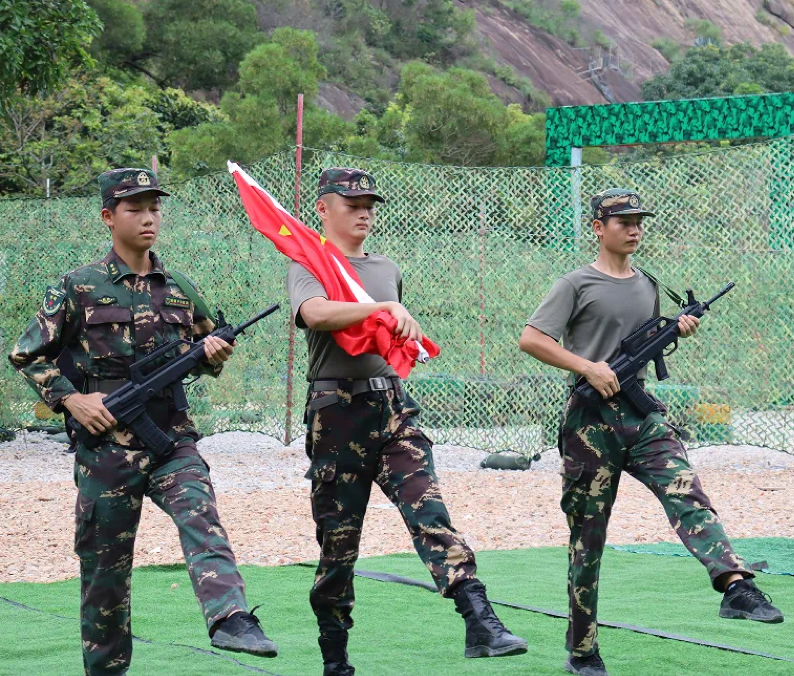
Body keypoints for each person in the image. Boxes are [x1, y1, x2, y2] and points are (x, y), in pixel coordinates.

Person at [9, 168, 278, 676]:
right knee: (105, 578)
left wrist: (215, 352)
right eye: (135, 208)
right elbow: (26, 355)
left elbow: (205, 349)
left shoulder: (178, 288)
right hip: (105, 448)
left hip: (171, 438)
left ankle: (231, 619)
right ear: (109, 216)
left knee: (200, 513)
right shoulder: (77, 286)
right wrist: (72, 401)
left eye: (155, 207)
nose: (148, 217)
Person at [519, 188, 784, 676]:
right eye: (623, 221)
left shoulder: (648, 284)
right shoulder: (575, 283)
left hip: (641, 414)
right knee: (588, 540)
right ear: (598, 228)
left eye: (639, 220)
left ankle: (735, 584)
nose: (634, 227)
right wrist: (588, 367)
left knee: (686, 490)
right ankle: (582, 650)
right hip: (590, 422)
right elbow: (531, 338)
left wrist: (675, 332)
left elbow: (643, 341)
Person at [287, 168, 528, 675]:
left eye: (368, 202)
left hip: (393, 407)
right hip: (335, 414)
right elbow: (315, 314)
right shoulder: (309, 261)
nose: (363, 211)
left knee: (430, 512)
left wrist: (398, 328)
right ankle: (335, 659)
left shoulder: (387, 266)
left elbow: (385, 330)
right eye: (351, 203)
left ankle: (480, 620)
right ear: (324, 209)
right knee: (338, 545)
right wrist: (383, 306)